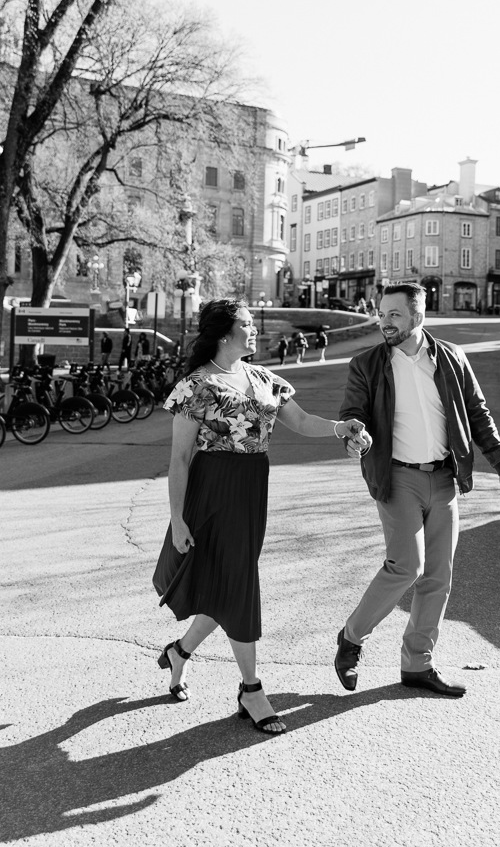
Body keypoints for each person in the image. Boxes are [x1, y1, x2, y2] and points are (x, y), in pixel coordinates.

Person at [153, 298, 370, 735]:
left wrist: (339, 427)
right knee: (238, 584)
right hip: (212, 489)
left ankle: (179, 653)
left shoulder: (264, 378)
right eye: (247, 325)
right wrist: (177, 518)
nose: (254, 331)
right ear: (223, 333)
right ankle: (251, 689)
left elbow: (302, 420)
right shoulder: (196, 385)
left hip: (253, 487)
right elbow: (179, 459)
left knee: (226, 585)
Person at [335, 282, 500, 699]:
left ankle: (418, 664)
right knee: (406, 565)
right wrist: (354, 436)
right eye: (382, 313)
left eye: (394, 315)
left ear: (418, 317)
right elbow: (352, 414)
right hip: (398, 477)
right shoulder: (367, 364)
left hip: (444, 478)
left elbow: (478, 413)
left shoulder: (451, 358)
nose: (385, 321)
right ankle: (351, 637)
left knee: (438, 576)